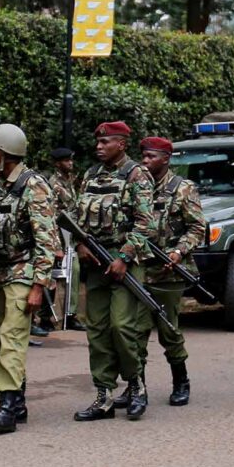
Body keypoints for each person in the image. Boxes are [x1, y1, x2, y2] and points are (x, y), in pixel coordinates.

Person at [0, 123, 61, 433]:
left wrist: (39, 285)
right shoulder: (2, 184)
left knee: (11, 336)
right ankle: (19, 401)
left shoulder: (33, 186)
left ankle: (8, 408)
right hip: (0, 271)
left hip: (24, 273)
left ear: (7, 153)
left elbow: (47, 240)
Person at [71, 121, 156, 422]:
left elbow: (145, 222)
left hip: (125, 265)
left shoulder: (137, 175)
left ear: (121, 144)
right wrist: (80, 245)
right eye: (98, 142)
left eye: (105, 142)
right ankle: (103, 395)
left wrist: (124, 256)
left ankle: (136, 386)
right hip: (95, 266)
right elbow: (77, 218)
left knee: (122, 327)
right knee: (97, 331)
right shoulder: (90, 176)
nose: (99, 147)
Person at [129, 135, 206, 408]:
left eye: (151, 157)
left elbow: (197, 228)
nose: (145, 161)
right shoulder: (136, 186)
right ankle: (136, 389)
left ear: (166, 159)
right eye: (144, 156)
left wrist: (178, 251)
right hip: (138, 269)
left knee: (167, 329)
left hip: (169, 273)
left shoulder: (182, 188)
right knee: (134, 332)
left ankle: (180, 380)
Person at [46, 147, 86, 331]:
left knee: (74, 271)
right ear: (57, 163)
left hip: (70, 235)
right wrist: (55, 244)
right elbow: (52, 214)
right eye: (66, 161)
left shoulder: (70, 180)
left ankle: (70, 315)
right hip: (58, 235)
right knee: (51, 274)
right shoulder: (54, 183)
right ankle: (45, 316)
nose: (70, 163)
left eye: (71, 160)